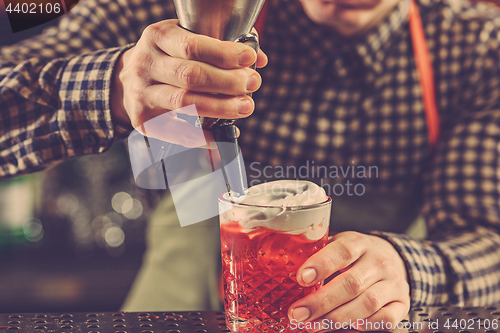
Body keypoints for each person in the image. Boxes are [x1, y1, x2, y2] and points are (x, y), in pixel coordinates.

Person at [2, 0, 500, 328]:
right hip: (179, 307)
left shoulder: (472, 46)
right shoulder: (180, 11)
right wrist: (113, 85)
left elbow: (485, 242)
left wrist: (408, 271)